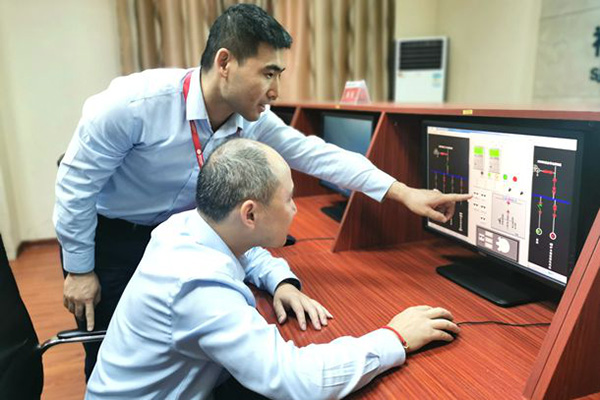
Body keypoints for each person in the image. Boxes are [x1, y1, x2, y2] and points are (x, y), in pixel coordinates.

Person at [54, 3, 470, 379]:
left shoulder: (251, 119)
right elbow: (76, 184)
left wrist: (402, 192)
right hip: (112, 235)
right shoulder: (134, 104)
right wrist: (79, 269)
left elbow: (317, 155)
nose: (276, 90)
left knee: (182, 351)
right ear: (225, 62)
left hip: (186, 233)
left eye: (279, 75)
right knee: (113, 346)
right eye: (268, 73)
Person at [85, 139, 460, 400]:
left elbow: (244, 252)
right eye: (289, 198)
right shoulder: (198, 286)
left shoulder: (185, 227)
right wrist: (395, 338)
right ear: (250, 213)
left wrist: (281, 281)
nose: (295, 209)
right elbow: (298, 380)